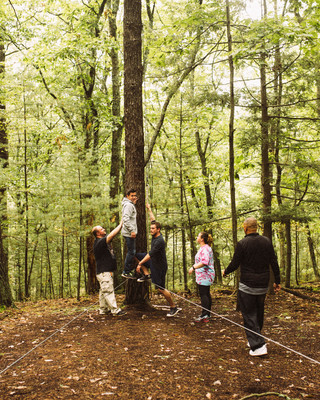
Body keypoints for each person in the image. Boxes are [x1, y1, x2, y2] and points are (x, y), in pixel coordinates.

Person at [223, 217, 281, 356]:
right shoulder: (266, 241)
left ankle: (259, 346)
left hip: (248, 284)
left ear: (245, 228)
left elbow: (235, 263)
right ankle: (255, 338)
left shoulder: (243, 243)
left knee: (249, 314)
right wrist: (277, 281)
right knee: (258, 312)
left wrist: (226, 271)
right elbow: (274, 261)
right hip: (262, 285)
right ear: (257, 227)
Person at [135, 203, 180, 317]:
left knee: (160, 288)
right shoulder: (155, 234)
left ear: (158, 230)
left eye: (153, 228)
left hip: (159, 266)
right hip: (153, 262)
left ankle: (173, 307)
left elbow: (150, 254)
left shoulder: (160, 241)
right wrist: (149, 209)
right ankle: (146, 274)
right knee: (134, 255)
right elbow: (153, 220)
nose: (151, 230)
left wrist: (140, 264)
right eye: (150, 228)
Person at [92, 222, 126, 316]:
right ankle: (115, 310)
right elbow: (112, 235)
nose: (104, 229)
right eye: (101, 229)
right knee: (108, 291)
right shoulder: (99, 242)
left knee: (103, 291)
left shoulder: (101, 242)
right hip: (104, 272)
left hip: (103, 272)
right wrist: (120, 225)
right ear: (98, 233)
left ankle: (103, 309)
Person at [188, 232, 215, 322]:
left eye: (198, 236)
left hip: (205, 275)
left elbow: (205, 261)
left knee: (204, 294)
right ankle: (206, 314)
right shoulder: (203, 248)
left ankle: (205, 315)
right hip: (203, 275)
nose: (197, 237)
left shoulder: (205, 249)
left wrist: (193, 267)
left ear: (202, 239)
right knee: (206, 294)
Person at [121, 188, 138, 279]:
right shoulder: (128, 205)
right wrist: (132, 230)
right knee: (131, 252)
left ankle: (128, 270)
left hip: (128, 232)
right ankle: (126, 271)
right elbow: (126, 219)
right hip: (129, 233)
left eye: (135, 195)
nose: (134, 197)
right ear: (127, 196)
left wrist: (133, 203)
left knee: (132, 251)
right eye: (132, 196)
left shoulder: (129, 204)